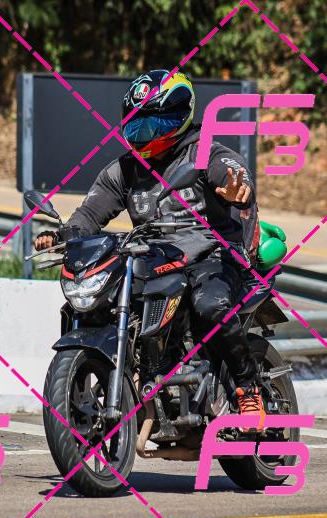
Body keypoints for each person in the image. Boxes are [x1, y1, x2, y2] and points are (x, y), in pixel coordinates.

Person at [34, 69, 266, 430]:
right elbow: (90, 213)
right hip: (154, 257)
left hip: (211, 255)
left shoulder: (206, 153)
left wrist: (239, 191)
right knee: (101, 298)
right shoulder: (124, 171)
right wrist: (64, 235)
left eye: (154, 124)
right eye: (137, 125)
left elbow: (236, 176)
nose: (145, 134)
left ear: (178, 116)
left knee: (210, 306)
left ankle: (248, 389)